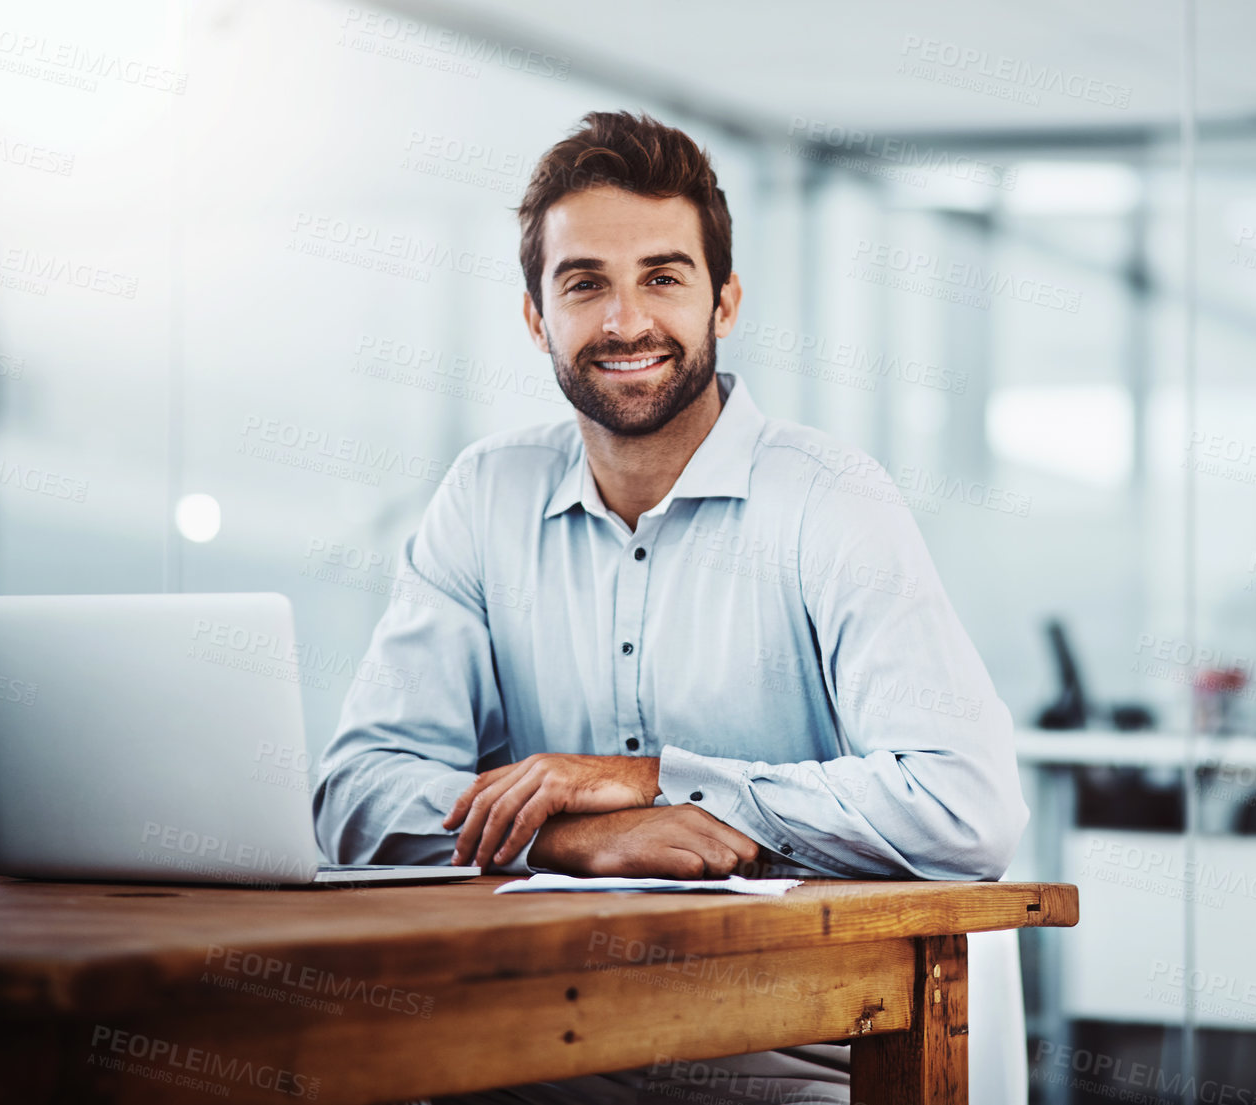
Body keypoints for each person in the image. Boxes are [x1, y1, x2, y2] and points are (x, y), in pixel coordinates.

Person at [313, 109, 1026, 1105]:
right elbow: (355, 792)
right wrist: (563, 838)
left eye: (661, 276)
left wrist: (661, 786)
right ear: (535, 317)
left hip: (798, 1052)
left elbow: (966, 804)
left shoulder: (829, 499)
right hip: (533, 1051)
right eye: (583, 283)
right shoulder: (484, 496)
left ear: (722, 301)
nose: (622, 322)